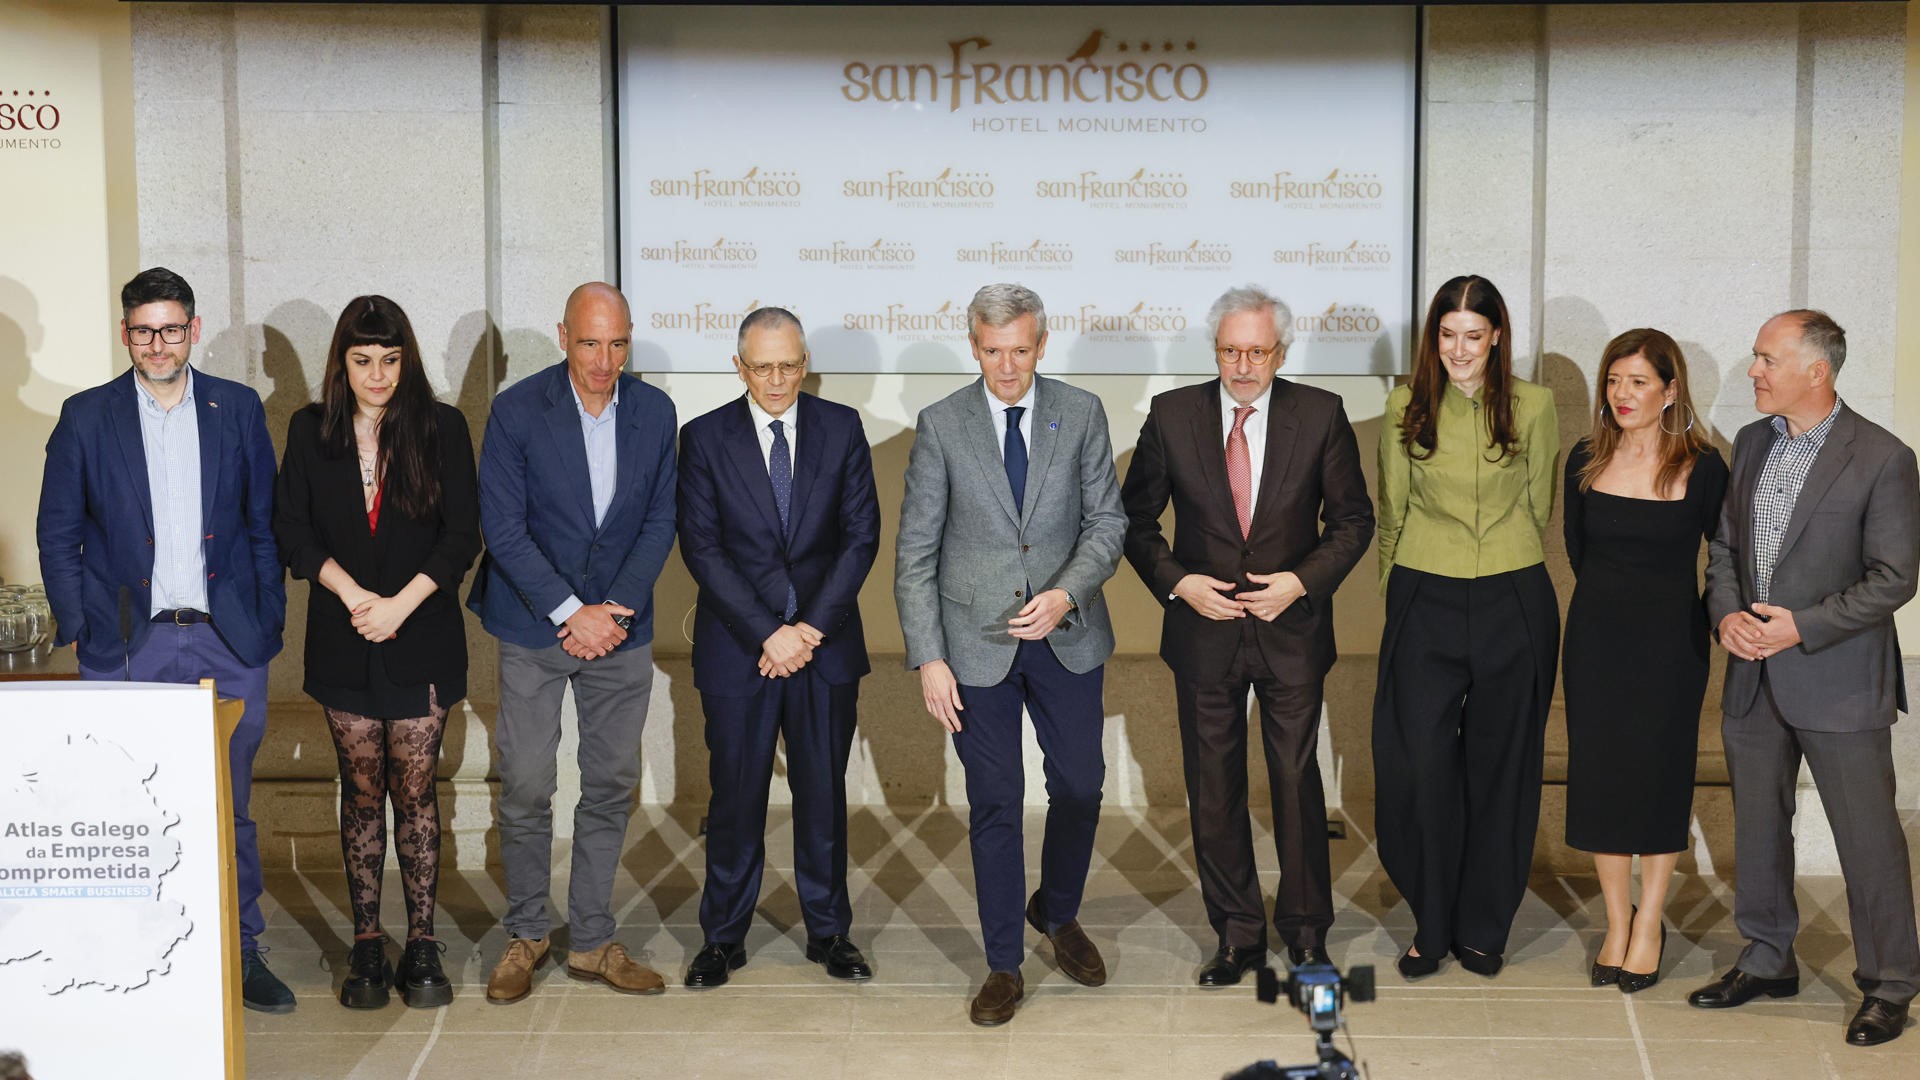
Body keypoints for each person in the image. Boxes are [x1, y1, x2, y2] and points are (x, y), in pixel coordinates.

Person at [37, 267, 292, 1012]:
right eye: (143, 330)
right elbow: (59, 535)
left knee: (229, 806)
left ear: (194, 330)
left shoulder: (237, 408)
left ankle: (242, 953)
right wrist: (80, 629)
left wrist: (265, 617)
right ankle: (136, 960)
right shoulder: (87, 416)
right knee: (126, 812)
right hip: (127, 646)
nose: (158, 343)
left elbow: (261, 527)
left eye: (171, 328)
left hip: (226, 640)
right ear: (126, 334)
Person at [1120, 285, 1373, 987]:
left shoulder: (1320, 414)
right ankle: (1237, 937)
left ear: (1280, 353)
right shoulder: (1173, 416)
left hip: (1291, 629)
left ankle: (1304, 934)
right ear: (1217, 351)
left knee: (1295, 781)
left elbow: (1353, 521)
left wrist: (1300, 581)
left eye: (1256, 351)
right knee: (1214, 788)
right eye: (1230, 350)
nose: (1242, 364)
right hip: (1203, 632)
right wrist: (1179, 582)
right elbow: (1134, 520)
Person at [895, 283, 1126, 1025]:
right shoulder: (941, 425)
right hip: (974, 649)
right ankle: (1002, 965)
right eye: (992, 351)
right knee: (995, 801)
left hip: (1068, 636)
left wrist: (1067, 593)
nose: (1006, 366)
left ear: (1041, 342)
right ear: (974, 346)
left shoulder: (1081, 412)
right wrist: (930, 657)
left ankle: (1056, 912)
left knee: (1083, 786)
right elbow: (915, 554)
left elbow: (1107, 524)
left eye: (1019, 350)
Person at [1687, 310, 1919, 1047]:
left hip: (1840, 678)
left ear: (1816, 370)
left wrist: (1801, 626)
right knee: (1757, 829)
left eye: (1765, 359)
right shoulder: (1752, 444)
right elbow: (1724, 548)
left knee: (1868, 839)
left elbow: (1894, 577)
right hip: (1753, 674)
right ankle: (1766, 958)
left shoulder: (1882, 457)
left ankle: (1890, 985)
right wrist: (1726, 617)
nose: (1753, 370)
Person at [469, 282, 678, 1003]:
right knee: (526, 782)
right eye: (590, 343)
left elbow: (659, 521)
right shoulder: (518, 409)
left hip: (619, 631)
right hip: (534, 625)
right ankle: (528, 932)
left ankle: (590, 940)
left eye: (617, 343)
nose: (603, 360)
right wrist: (569, 610)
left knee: (611, 785)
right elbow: (502, 528)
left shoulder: (654, 411)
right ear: (564, 336)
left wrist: (611, 610)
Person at [272, 296, 481, 1009]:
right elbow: (292, 530)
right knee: (361, 792)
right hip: (343, 634)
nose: (378, 374)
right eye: (363, 361)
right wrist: (356, 595)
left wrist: (398, 603)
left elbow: (462, 536)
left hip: (420, 632)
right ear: (342, 363)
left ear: (406, 359)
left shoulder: (442, 428)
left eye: (390, 360)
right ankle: (368, 940)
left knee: (414, 791)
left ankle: (421, 940)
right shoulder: (310, 430)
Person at [677, 308, 880, 988]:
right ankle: (723, 937)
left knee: (823, 795)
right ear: (739, 368)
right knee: (735, 799)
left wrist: (808, 630)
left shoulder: (842, 428)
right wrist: (771, 632)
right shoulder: (703, 438)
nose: (776, 379)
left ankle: (830, 934)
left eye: (789, 365)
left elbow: (860, 539)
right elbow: (702, 548)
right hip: (743, 649)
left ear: (806, 362)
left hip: (824, 648)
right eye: (762, 366)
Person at [1372, 274, 1559, 980]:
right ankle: (1433, 917)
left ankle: (1484, 925)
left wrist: (1507, 566)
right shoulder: (1404, 406)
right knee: (1418, 765)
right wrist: (1400, 596)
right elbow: (1391, 512)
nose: (1459, 348)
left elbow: (1540, 503)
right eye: (1447, 335)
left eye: (1473, 335)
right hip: (1424, 592)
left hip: (1514, 594)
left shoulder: (1535, 406)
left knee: (1503, 766)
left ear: (1497, 337)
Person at [1561, 329, 1726, 993]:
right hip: (1597, 642)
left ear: (1670, 389)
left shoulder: (1705, 465)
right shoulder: (1583, 457)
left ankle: (1651, 922)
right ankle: (1617, 921)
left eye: (1638, 382)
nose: (1622, 395)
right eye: (1613, 381)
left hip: (1670, 648)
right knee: (1601, 779)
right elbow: (1579, 552)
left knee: (1658, 780)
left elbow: (1729, 556)